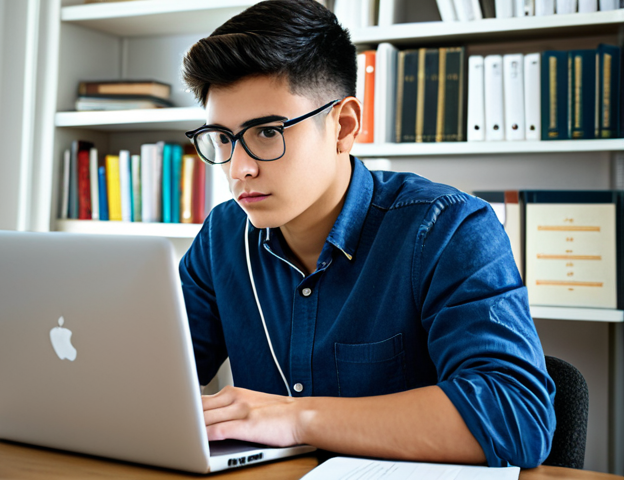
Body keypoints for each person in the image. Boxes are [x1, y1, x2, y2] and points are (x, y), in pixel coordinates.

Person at [178, 0, 555, 468]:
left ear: (344, 126)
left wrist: (298, 419)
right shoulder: (222, 236)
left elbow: (515, 416)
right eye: (223, 138)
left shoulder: (448, 229)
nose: (239, 169)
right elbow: (150, 377)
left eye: (267, 133)